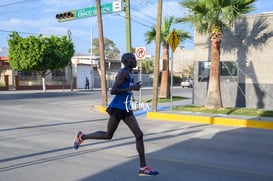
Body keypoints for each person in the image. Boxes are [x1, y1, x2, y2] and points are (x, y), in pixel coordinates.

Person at [73, 53, 159, 176]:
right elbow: (113, 90)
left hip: (126, 107)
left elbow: (127, 90)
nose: (135, 61)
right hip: (118, 107)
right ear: (126, 61)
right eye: (133, 59)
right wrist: (131, 88)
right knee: (108, 135)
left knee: (139, 135)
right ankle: (82, 137)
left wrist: (132, 90)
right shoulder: (123, 72)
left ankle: (143, 168)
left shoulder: (130, 73)